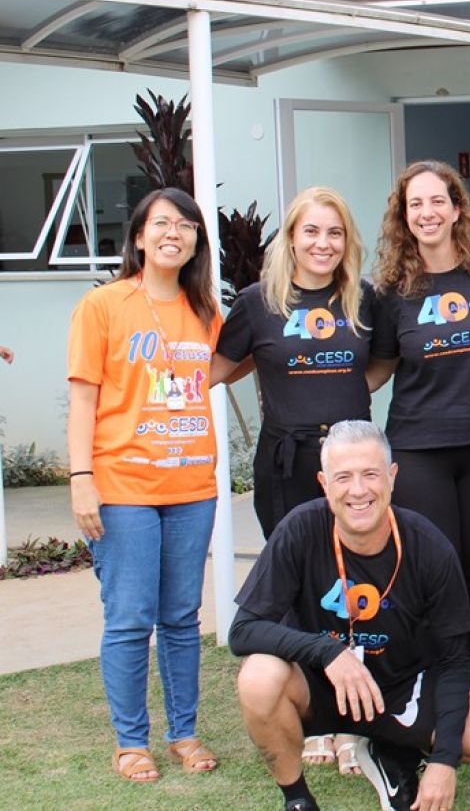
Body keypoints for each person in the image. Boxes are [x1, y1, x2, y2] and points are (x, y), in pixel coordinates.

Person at [230, 420, 470, 811]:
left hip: (403, 688)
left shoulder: (428, 544)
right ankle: (298, 799)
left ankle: (393, 750)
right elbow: (244, 630)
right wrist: (327, 652)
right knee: (259, 677)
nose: (358, 490)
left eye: (370, 474)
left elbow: (454, 660)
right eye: (343, 477)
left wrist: (444, 761)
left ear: (392, 477)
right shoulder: (300, 529)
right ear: (324, 483)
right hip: (321, 686)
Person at [215, 185, 377, 775]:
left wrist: (339, 401)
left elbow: (381, 363)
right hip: (284, 462)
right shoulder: (258, 302)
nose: (322, 243)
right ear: (290, 238)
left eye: (334, 232)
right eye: (311, 231)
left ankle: (353, 722)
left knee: (353, 581)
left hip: (349, 463)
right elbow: (217, 367)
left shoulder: (364, 299)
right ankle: (314, 717)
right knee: (296, 586)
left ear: (347, 241)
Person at [67, 188, 225, 782]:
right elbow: (83, 399)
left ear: (196, 241)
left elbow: (217, 369)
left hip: (192, 487)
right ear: (138, 236)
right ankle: (131, 742)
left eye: (186, 225)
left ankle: (184, 732)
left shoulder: (205, 311)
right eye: (161, 223)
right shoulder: (103, 305)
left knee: (182, 617)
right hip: (122, 487)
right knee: (131, 618)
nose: (173, 233)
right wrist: (81, 479)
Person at [369, 160, 470, 700]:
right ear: (403, 217)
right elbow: (379, 367)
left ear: (457, 210)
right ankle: (440, 697)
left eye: (437, 201)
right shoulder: (391, 290)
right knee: (434, 574)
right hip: (419, 449)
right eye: (416, 204)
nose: (427, 213)